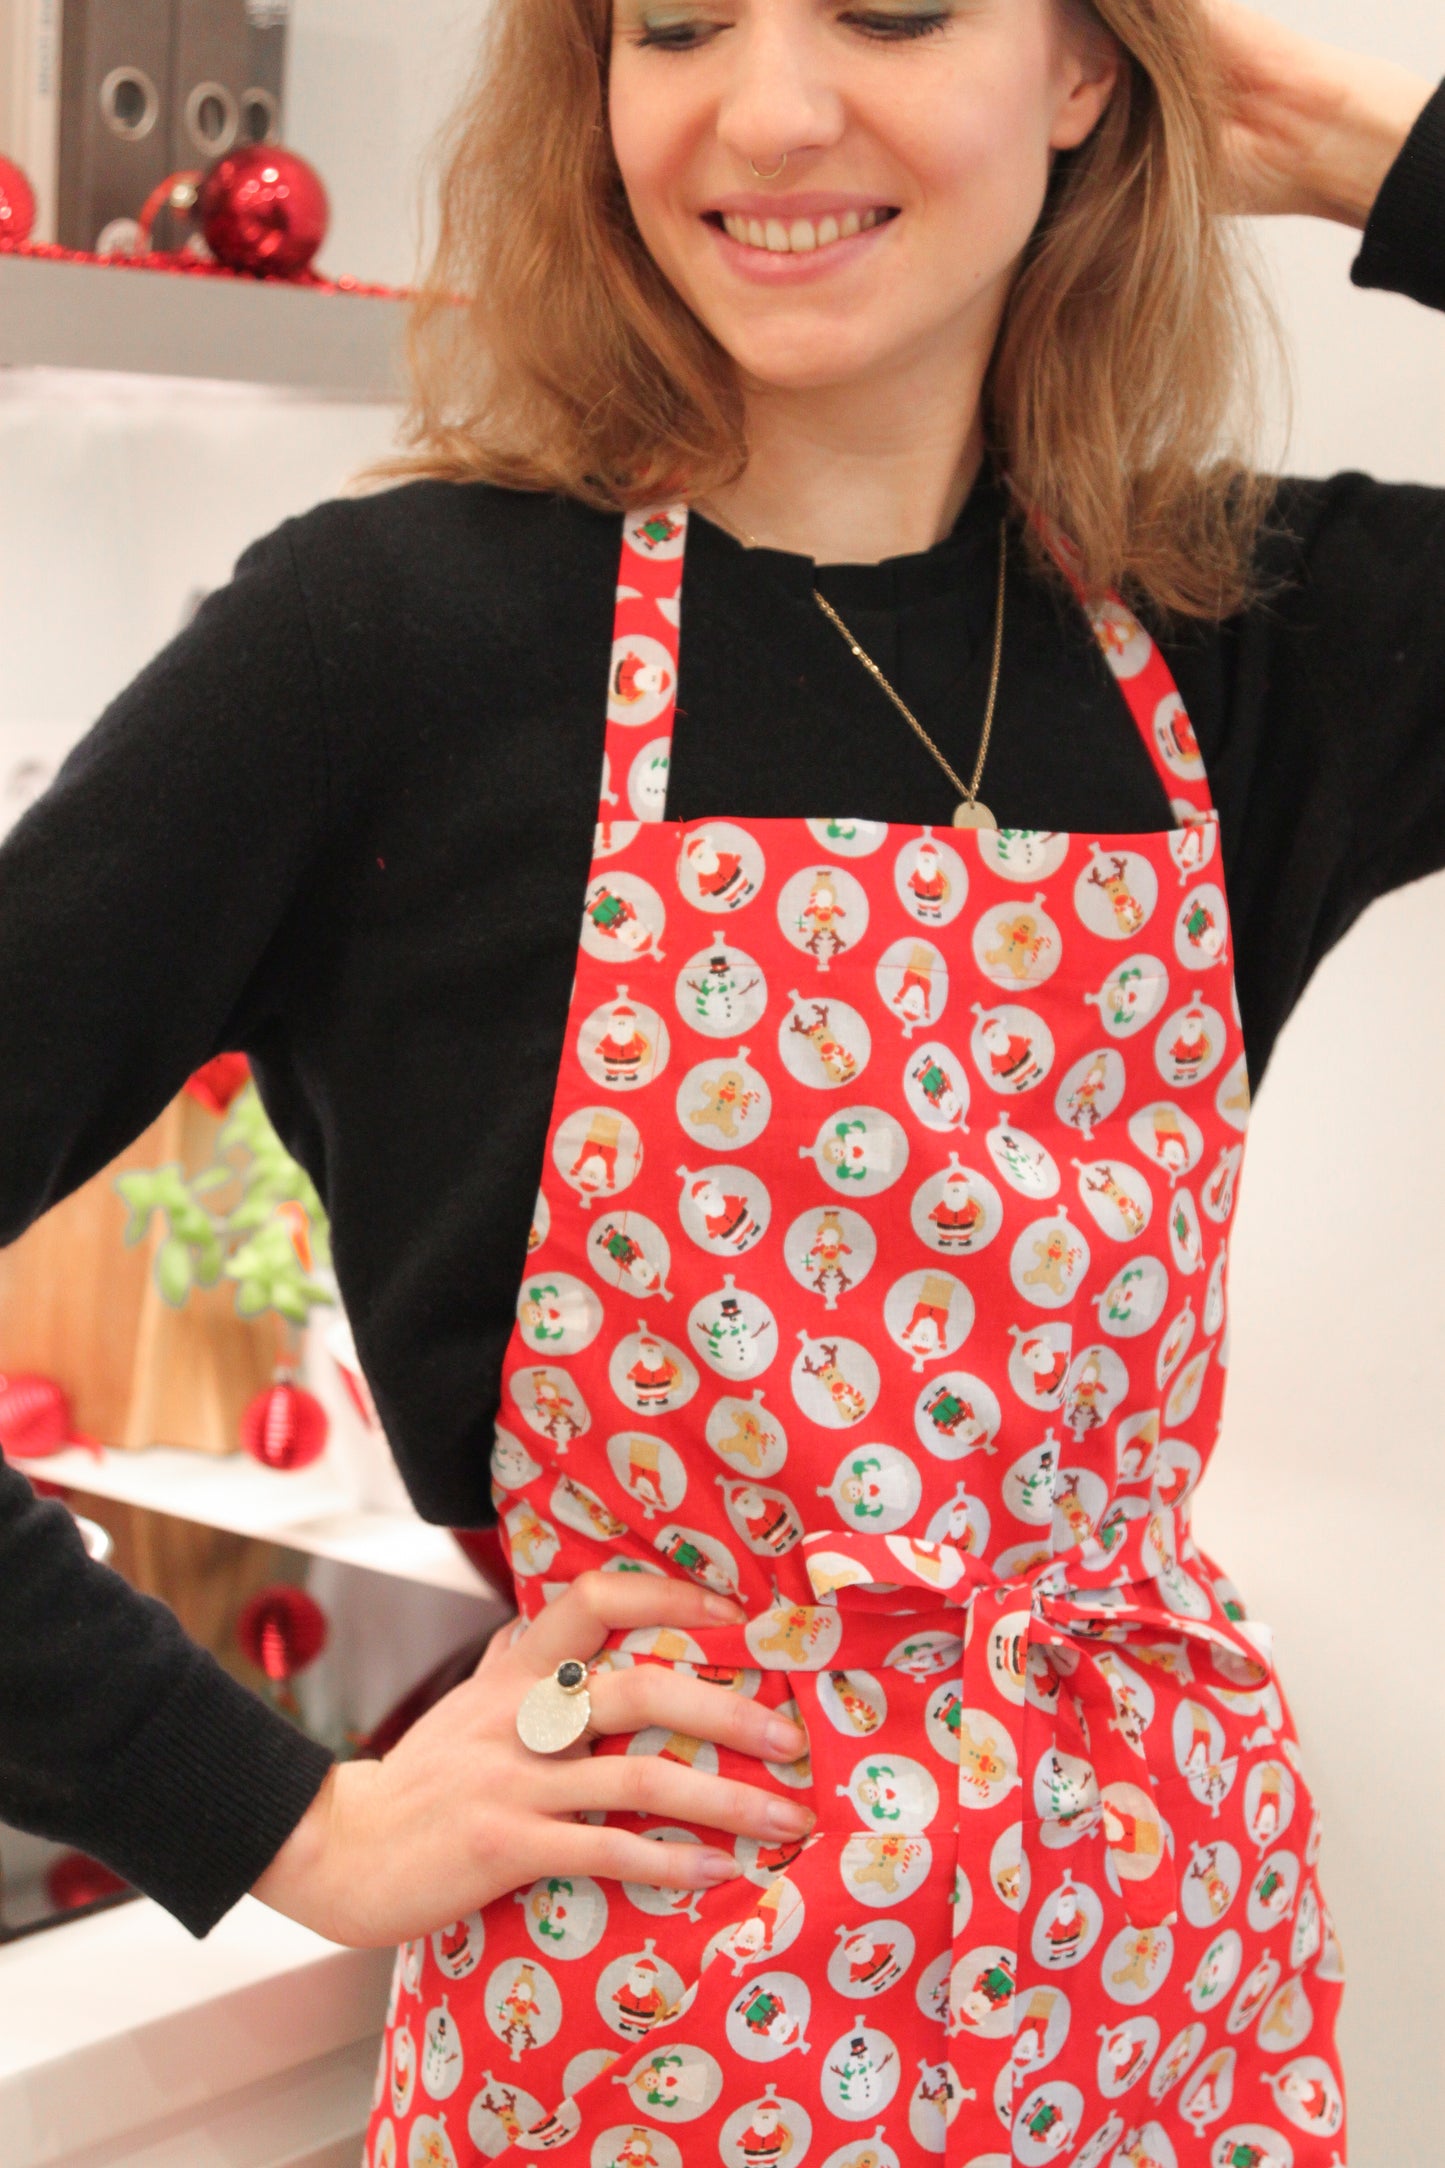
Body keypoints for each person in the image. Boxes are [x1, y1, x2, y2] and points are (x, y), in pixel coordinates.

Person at [0, 0, 1440, 2160]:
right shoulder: (391, 652)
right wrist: (282, 1816)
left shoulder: (1245, 642)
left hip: (1162, 1991)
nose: (765, 111)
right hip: (669, 2026)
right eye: (675, 20)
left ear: (1083, 67)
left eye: (891, 6)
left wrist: (1356, 137)